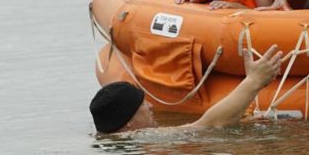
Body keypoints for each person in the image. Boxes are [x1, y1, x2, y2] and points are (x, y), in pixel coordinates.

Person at [90, 45, 284, 134]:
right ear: (129, 122)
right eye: (142, 104)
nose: (150, 106)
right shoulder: (138, 137)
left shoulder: (116, 139)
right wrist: (254, 81)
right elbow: (209, 125)